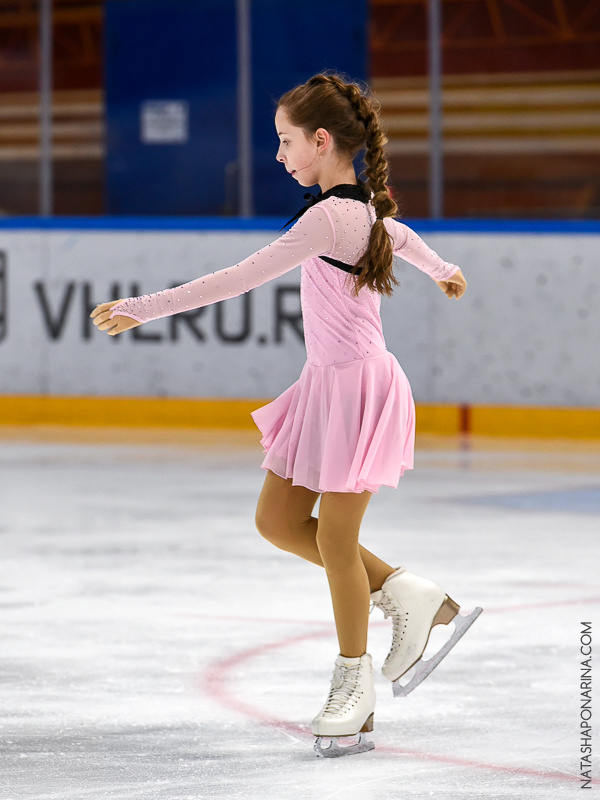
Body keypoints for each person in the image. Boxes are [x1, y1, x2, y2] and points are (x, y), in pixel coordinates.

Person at [92, 73, 481, 758]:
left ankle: (353, 685)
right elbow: (404, 236)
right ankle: (409, 592)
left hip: (357, 389)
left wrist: (139, 307)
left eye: (285, 141)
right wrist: (442, 268)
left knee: (334, 540)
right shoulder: (358, 211)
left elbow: (238, 278)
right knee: (277, 520)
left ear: (321, 141)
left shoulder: (328, 218)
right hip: (326, 387)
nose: (278, 155)